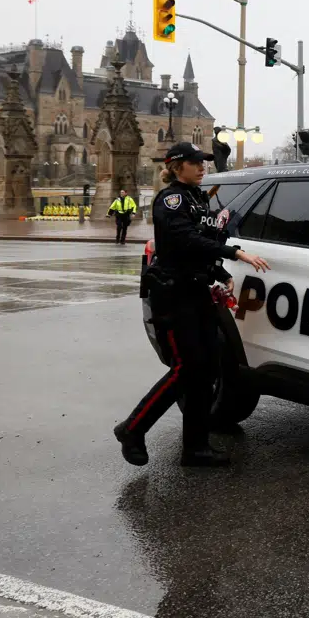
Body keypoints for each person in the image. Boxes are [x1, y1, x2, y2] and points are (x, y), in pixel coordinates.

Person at [114, 141, 270, 468]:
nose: (203, 167)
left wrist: (219, 271)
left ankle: (196, 448)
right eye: (196, 162)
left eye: (204, 162)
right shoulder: (170, 200)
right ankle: (133, 427)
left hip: (198, 292)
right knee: (187, 368)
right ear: (176, 166)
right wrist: (236, 254)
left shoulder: (200, 197)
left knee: (207, 368)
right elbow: (186, 239)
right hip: (173, 296)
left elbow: (205, 244)